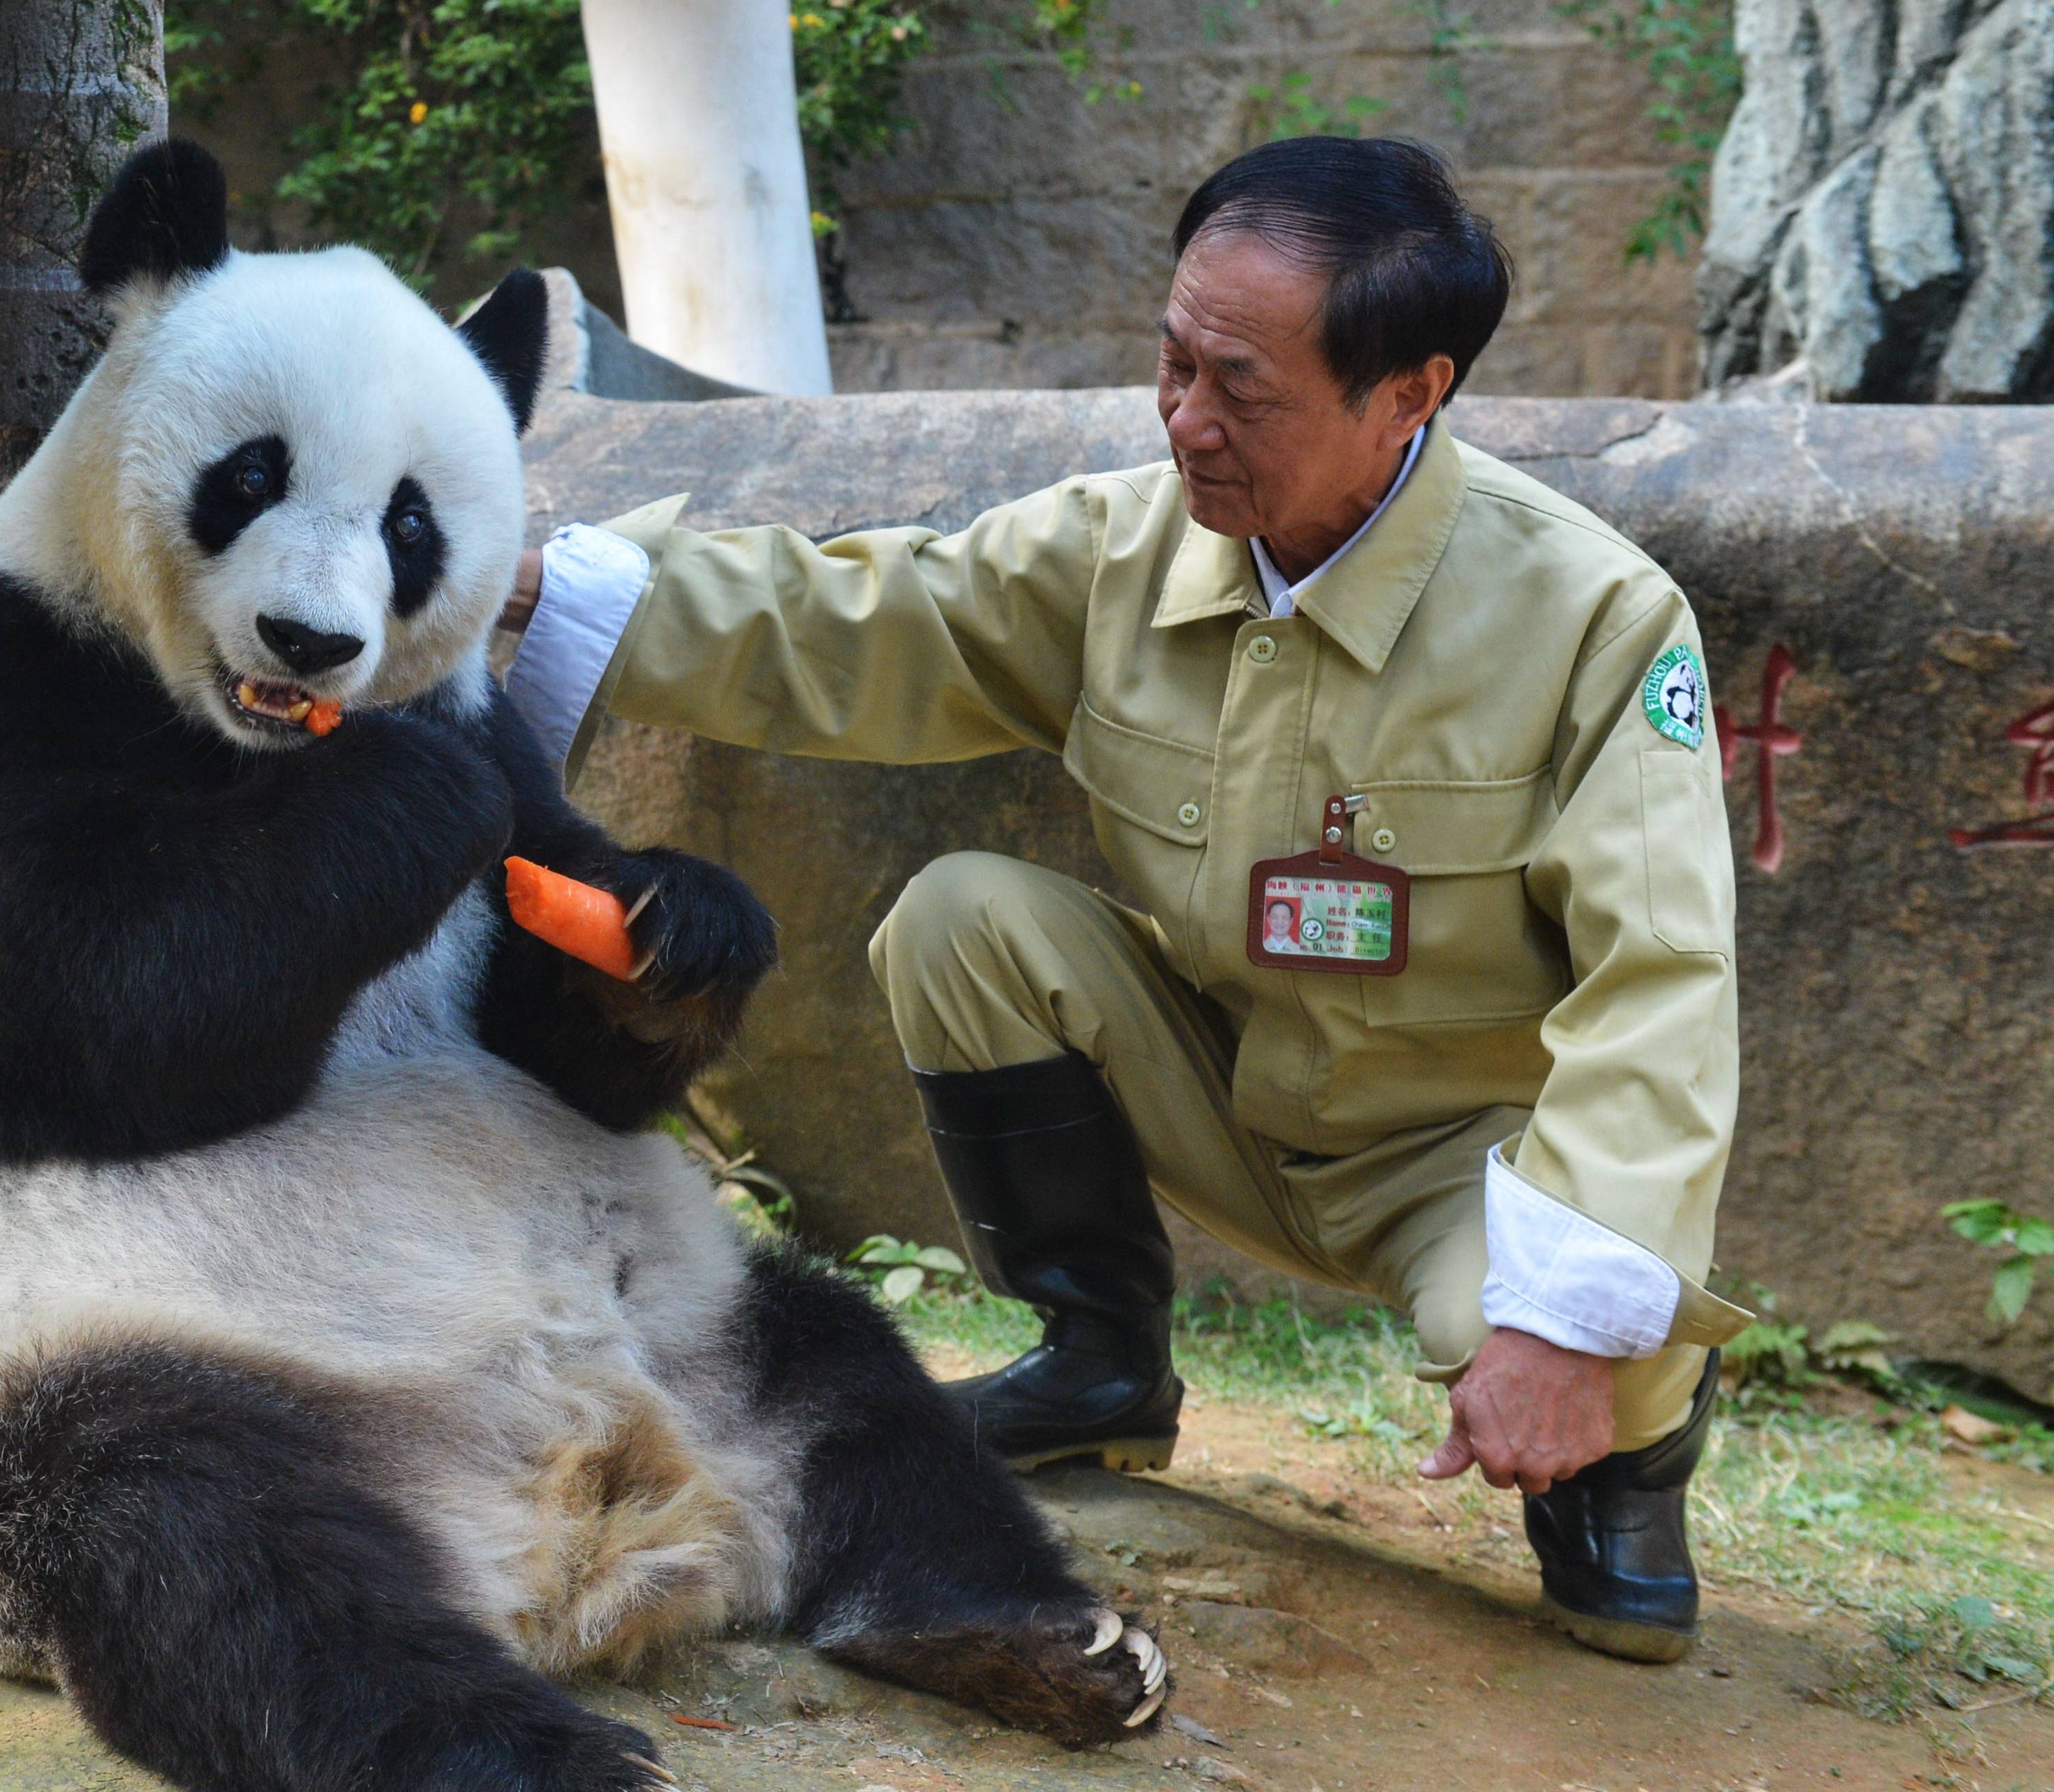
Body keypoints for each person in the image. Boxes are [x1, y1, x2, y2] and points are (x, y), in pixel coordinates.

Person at [496, 137, 1750, 1664]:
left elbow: (1662, 982)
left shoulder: (1595, 622)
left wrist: (1561, 1323)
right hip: (1227, 1086)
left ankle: (1625, 1469)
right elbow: (866, 620)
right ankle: (1099, 1363)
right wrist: (541, 592)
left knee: (1583, 1328)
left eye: (1244, 388)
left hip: (1468, 1163)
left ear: (1407, 397)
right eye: (1171, 361)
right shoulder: (1120, 547)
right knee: (964, 920)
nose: (1186, 421)